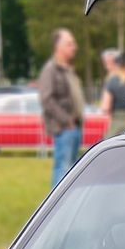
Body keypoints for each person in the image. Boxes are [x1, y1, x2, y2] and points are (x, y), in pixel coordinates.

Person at [38, 27, 85, 185]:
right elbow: (46, 99)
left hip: (73, 127)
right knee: (63, 169)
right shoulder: (50, 70)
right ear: (59, 47)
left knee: (72, 170)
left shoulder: (67, 70)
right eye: (70, 44)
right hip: (64, 128)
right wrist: (66, 120)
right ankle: (56, 207)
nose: (74, 47)